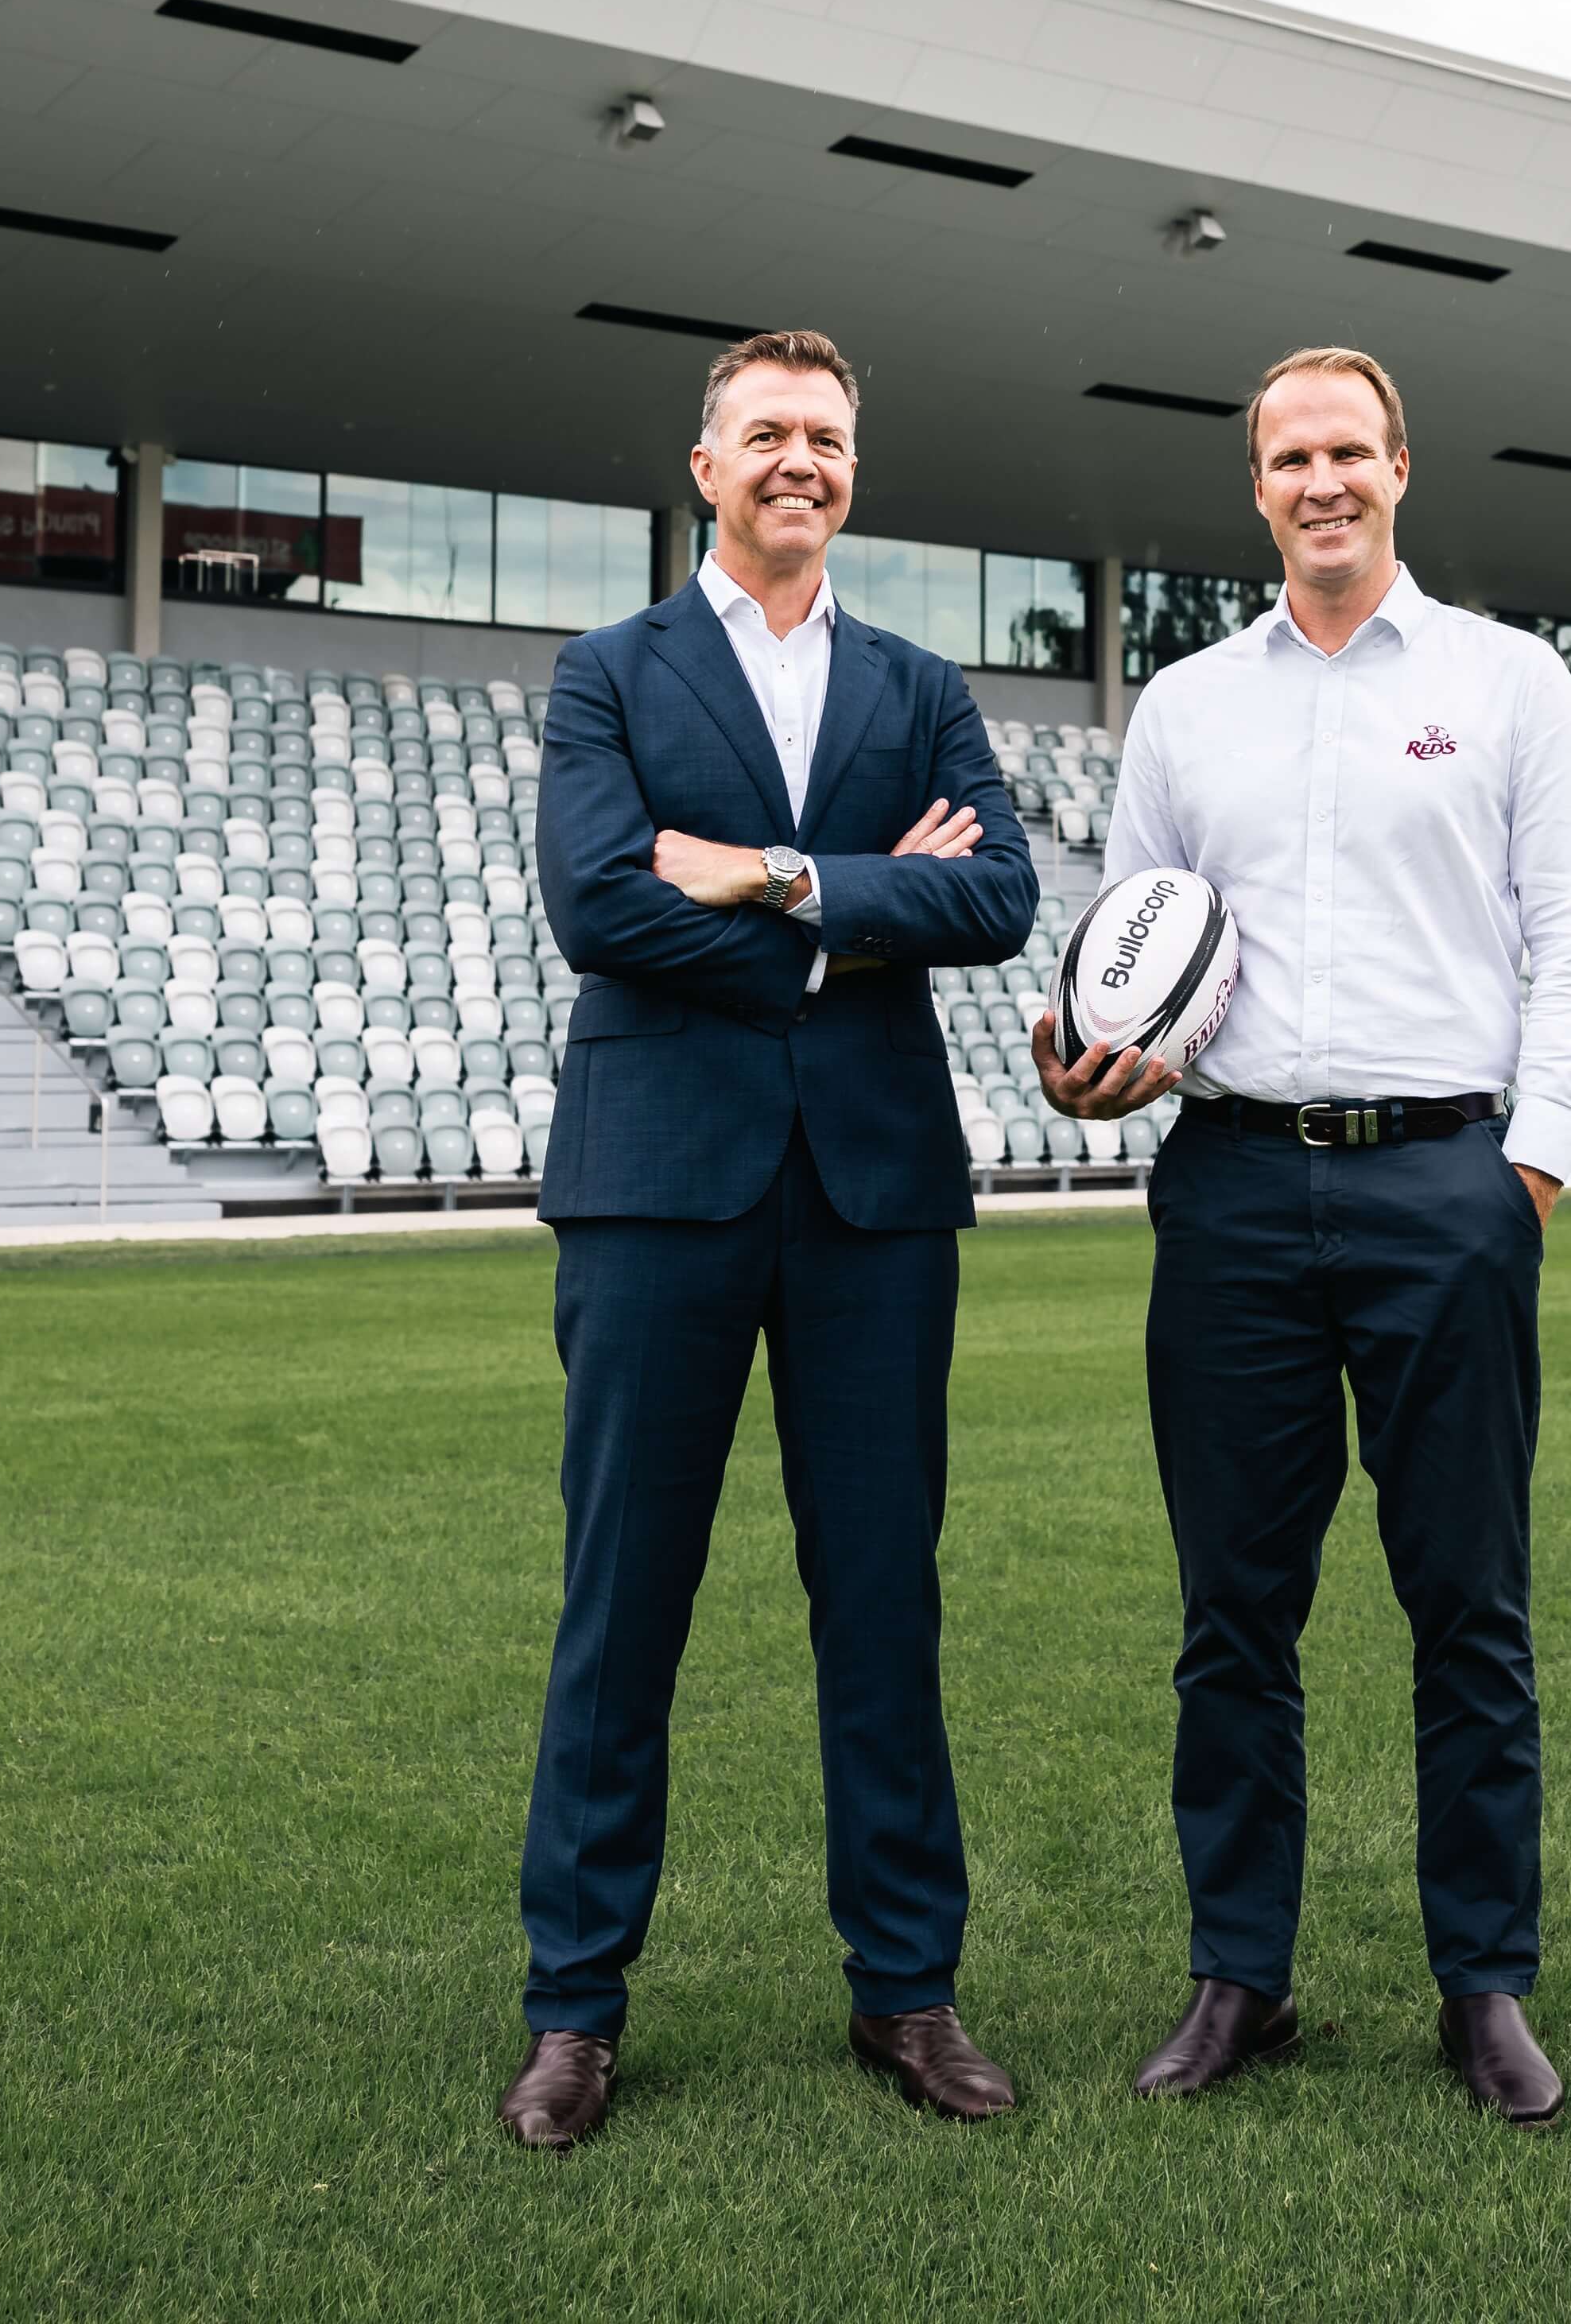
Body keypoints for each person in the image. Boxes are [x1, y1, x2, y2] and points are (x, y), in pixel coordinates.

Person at [1038, 343, 1571, 2124]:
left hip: (1443, 1184)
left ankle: (1484, 1983)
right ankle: (1240, 1976)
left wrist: (1519, 1179)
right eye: (1287, 456)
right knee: (1232, 1613)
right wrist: (1099, 1065)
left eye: (1345, 452)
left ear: (1399, 467)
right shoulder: (1188, 707)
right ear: (1256, 485)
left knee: (1467, 1608)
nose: (1319, 482)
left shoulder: (1507, 681)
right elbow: (1143, 946)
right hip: (1226, 1191)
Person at [502, 328, 1042, 2151]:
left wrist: (770, 870)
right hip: (658, 1186)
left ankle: (905, 1988)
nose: (798, 457)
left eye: (826, 434)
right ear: (703, 463)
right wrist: (855, 922)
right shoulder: (610, 671)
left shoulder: (915, 678)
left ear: (850, 469)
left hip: (875, 1199)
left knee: (881, 1601)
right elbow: (599, 902)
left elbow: (1001, 894)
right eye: (766, 433)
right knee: (620, 1608)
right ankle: (574, 2008)